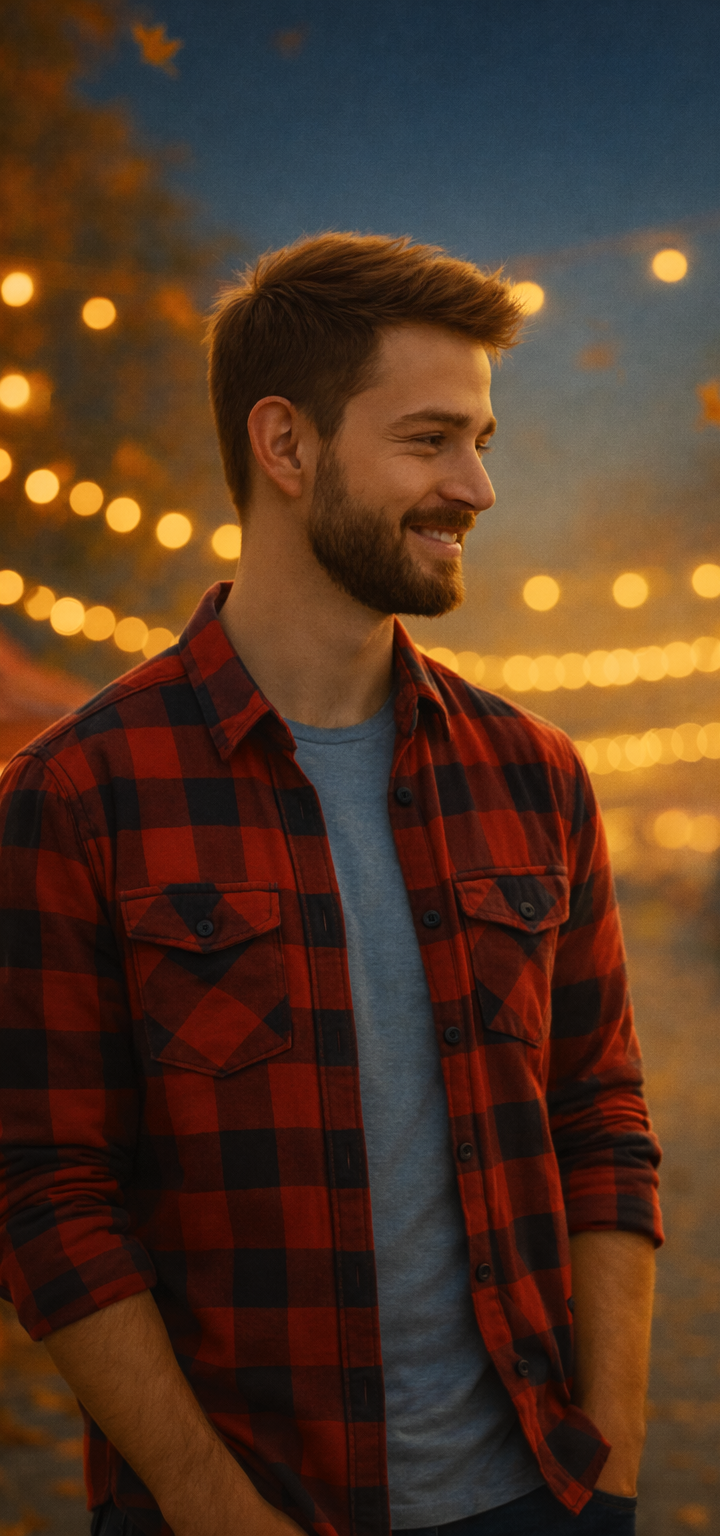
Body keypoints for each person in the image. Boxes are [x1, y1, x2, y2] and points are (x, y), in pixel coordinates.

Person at [0, 233, 662, 1536]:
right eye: (429, 440)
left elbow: (603, 1124)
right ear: (286, 449)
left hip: (534, 1492)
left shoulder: (535, 777)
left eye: (484, 440)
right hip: (236, 1506)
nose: (476, 486)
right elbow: (44, 1194)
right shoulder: (79, 795)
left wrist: (612, 1465)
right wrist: (211, 1511)